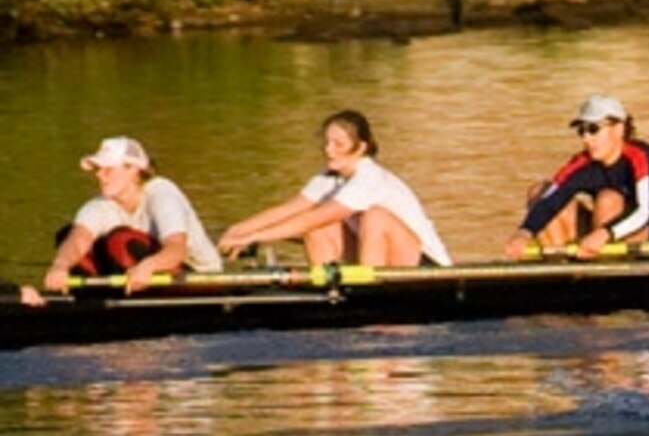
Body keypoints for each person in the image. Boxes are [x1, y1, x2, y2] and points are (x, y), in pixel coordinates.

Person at [218, 111, 452, 271]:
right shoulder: (329, 176)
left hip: (425, 266)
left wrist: (254, 237)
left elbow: (309, 219)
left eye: (338, 144)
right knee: (319, 230)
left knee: (375, 217)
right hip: (382, 261)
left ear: (361, 147)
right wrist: (237, 230)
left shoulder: (369, 177)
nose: (329, 151)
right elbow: (290, 210)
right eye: (327, 143)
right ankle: (331, 296)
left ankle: (370, 293)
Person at [23, 138, 215, 305]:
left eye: (108, 169)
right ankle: (94, 304)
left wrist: (149, 266)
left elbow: (176, 249)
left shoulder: (162, 193)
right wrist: (60, 266)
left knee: (120, 240)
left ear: (133, 169)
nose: (99, 175)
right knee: (67, 235)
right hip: (139, 276)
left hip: (199, 278)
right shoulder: (100, 205)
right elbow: (78, 239)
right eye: (98, 169)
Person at [511, 96, 649, 254]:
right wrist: (524, 232)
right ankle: (562, 271)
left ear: (618, 129)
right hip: (609, 236)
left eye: (593, 129)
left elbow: (644, 212)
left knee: (607, 200)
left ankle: (606, 275)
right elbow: (552, 197)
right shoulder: (583, 162)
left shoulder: (641, 157)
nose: (586, 139)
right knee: (539, 191)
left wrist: (605, 233)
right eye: (582, 131)